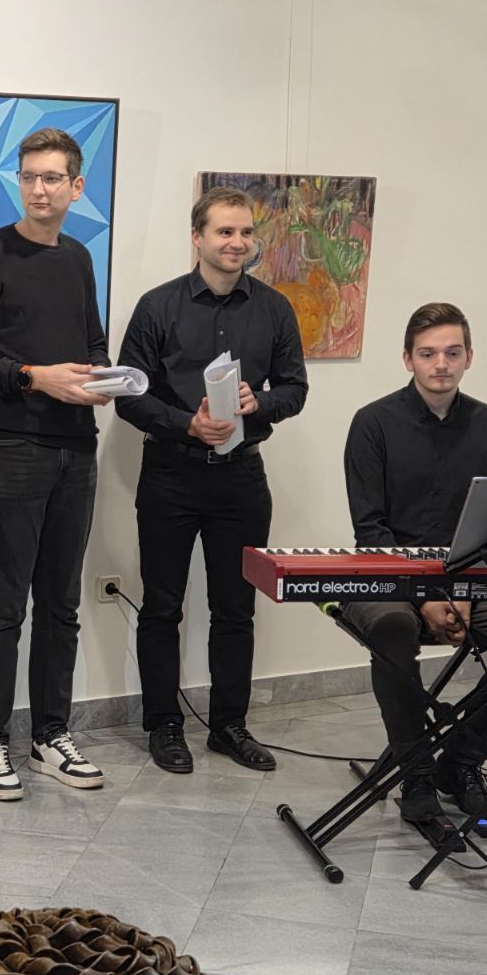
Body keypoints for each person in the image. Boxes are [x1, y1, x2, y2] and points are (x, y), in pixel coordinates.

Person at [115, 186, 308, 775]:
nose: (237, 242)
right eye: (225, 232)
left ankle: (229, 727)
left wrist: (260, 403)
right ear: (197, 237)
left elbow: (295, 390)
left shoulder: (275, 308)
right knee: (161, 607)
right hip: (170, 474)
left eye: (246, 232)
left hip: (241, 478)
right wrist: (186, 424)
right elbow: (128, 395)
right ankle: (163, 725)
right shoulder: (157, 306)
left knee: (235, 610)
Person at [0, 127, 110, 801]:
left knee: (63, 603)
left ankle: (50, 733)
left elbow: (93, 343)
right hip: (10, 446)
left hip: (77, 447)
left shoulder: (78, 258)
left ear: (76, 187)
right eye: (29, 177)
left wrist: (103, 377)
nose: (39, 189)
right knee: (5, 603)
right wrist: (34, 377)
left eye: (52, 178)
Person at [341, 302, 487, 826]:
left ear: (469, 357)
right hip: (387, 577)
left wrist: (465, 594)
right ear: (408, 359)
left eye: (452, 352)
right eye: (427, 354)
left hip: (467, 581)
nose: (440, 364)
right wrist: (425, 596)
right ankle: (417, 772)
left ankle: (461, 762)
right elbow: (370, 529)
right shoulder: (373, 423)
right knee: (393, 628)